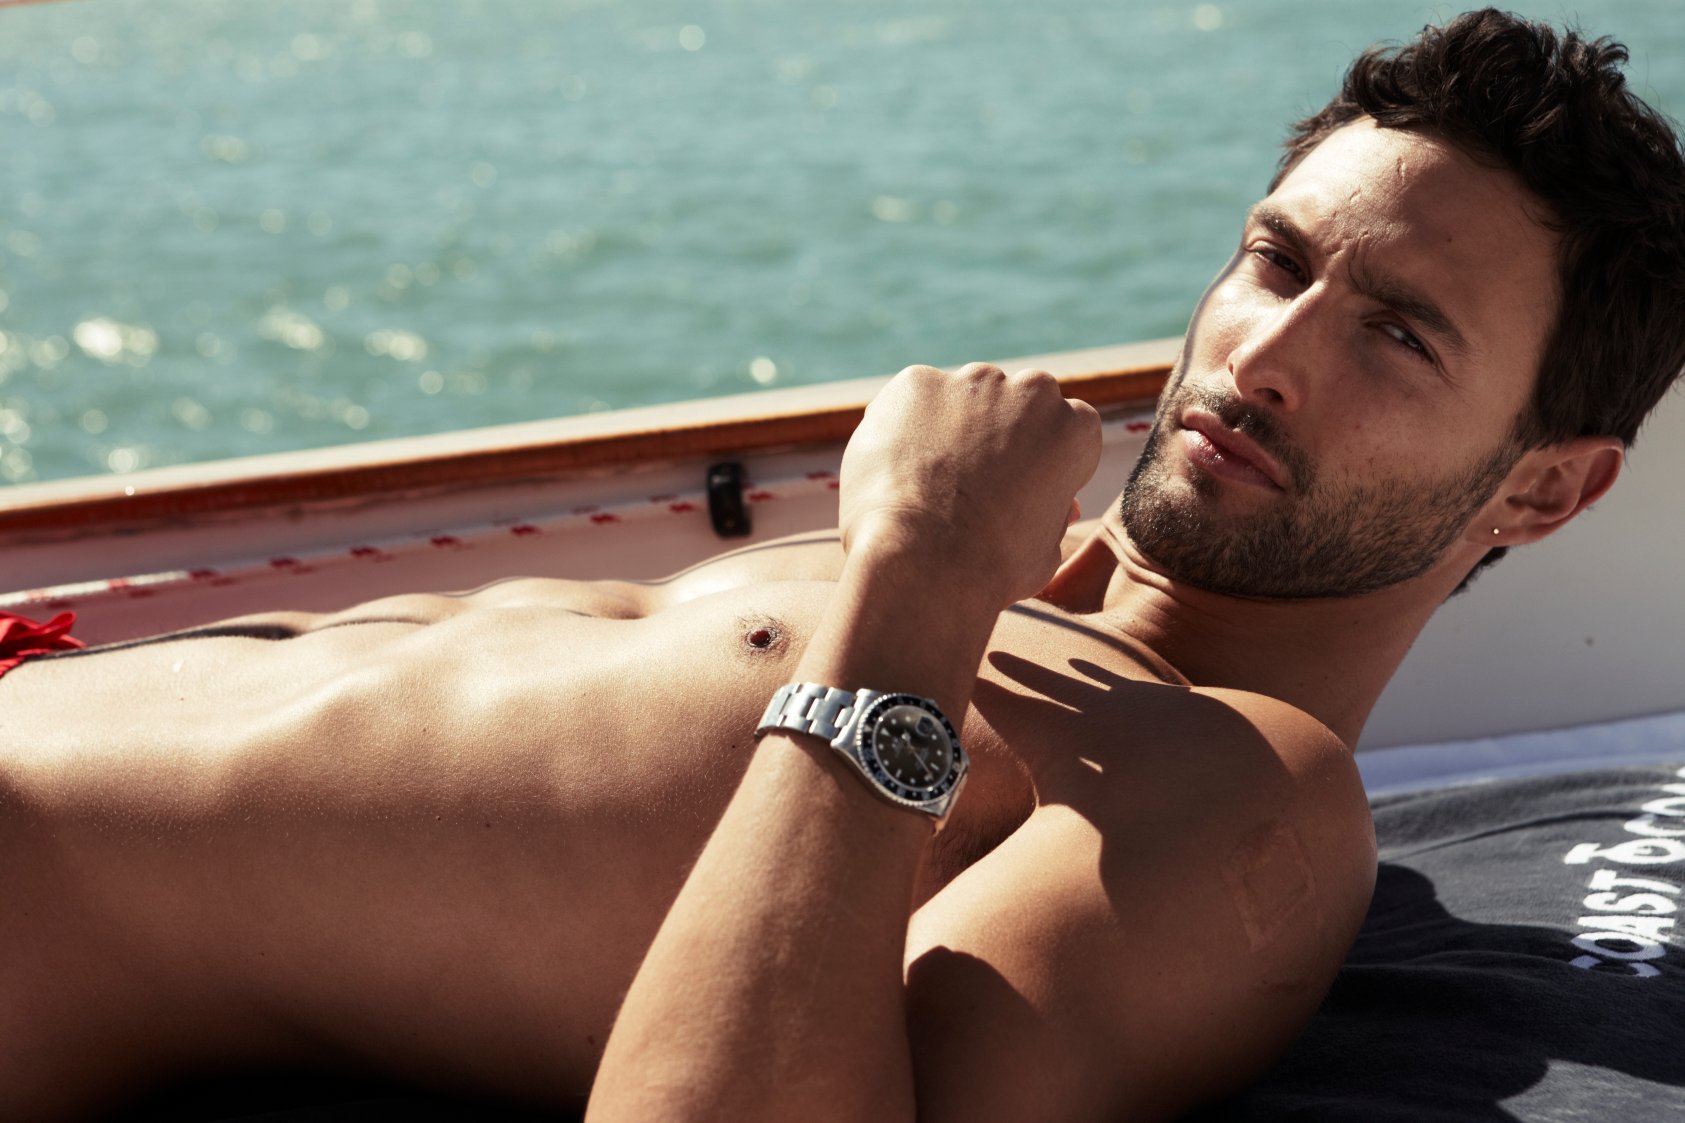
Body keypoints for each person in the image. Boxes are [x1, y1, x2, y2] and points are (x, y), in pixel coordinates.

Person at [4, 8, 1684, 1120]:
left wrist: (925, 573)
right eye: (1275, 259)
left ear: (1544, 491)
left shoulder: (1237, 798)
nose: (1265, 352)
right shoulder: (1010, 572)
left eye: (1397, 334)